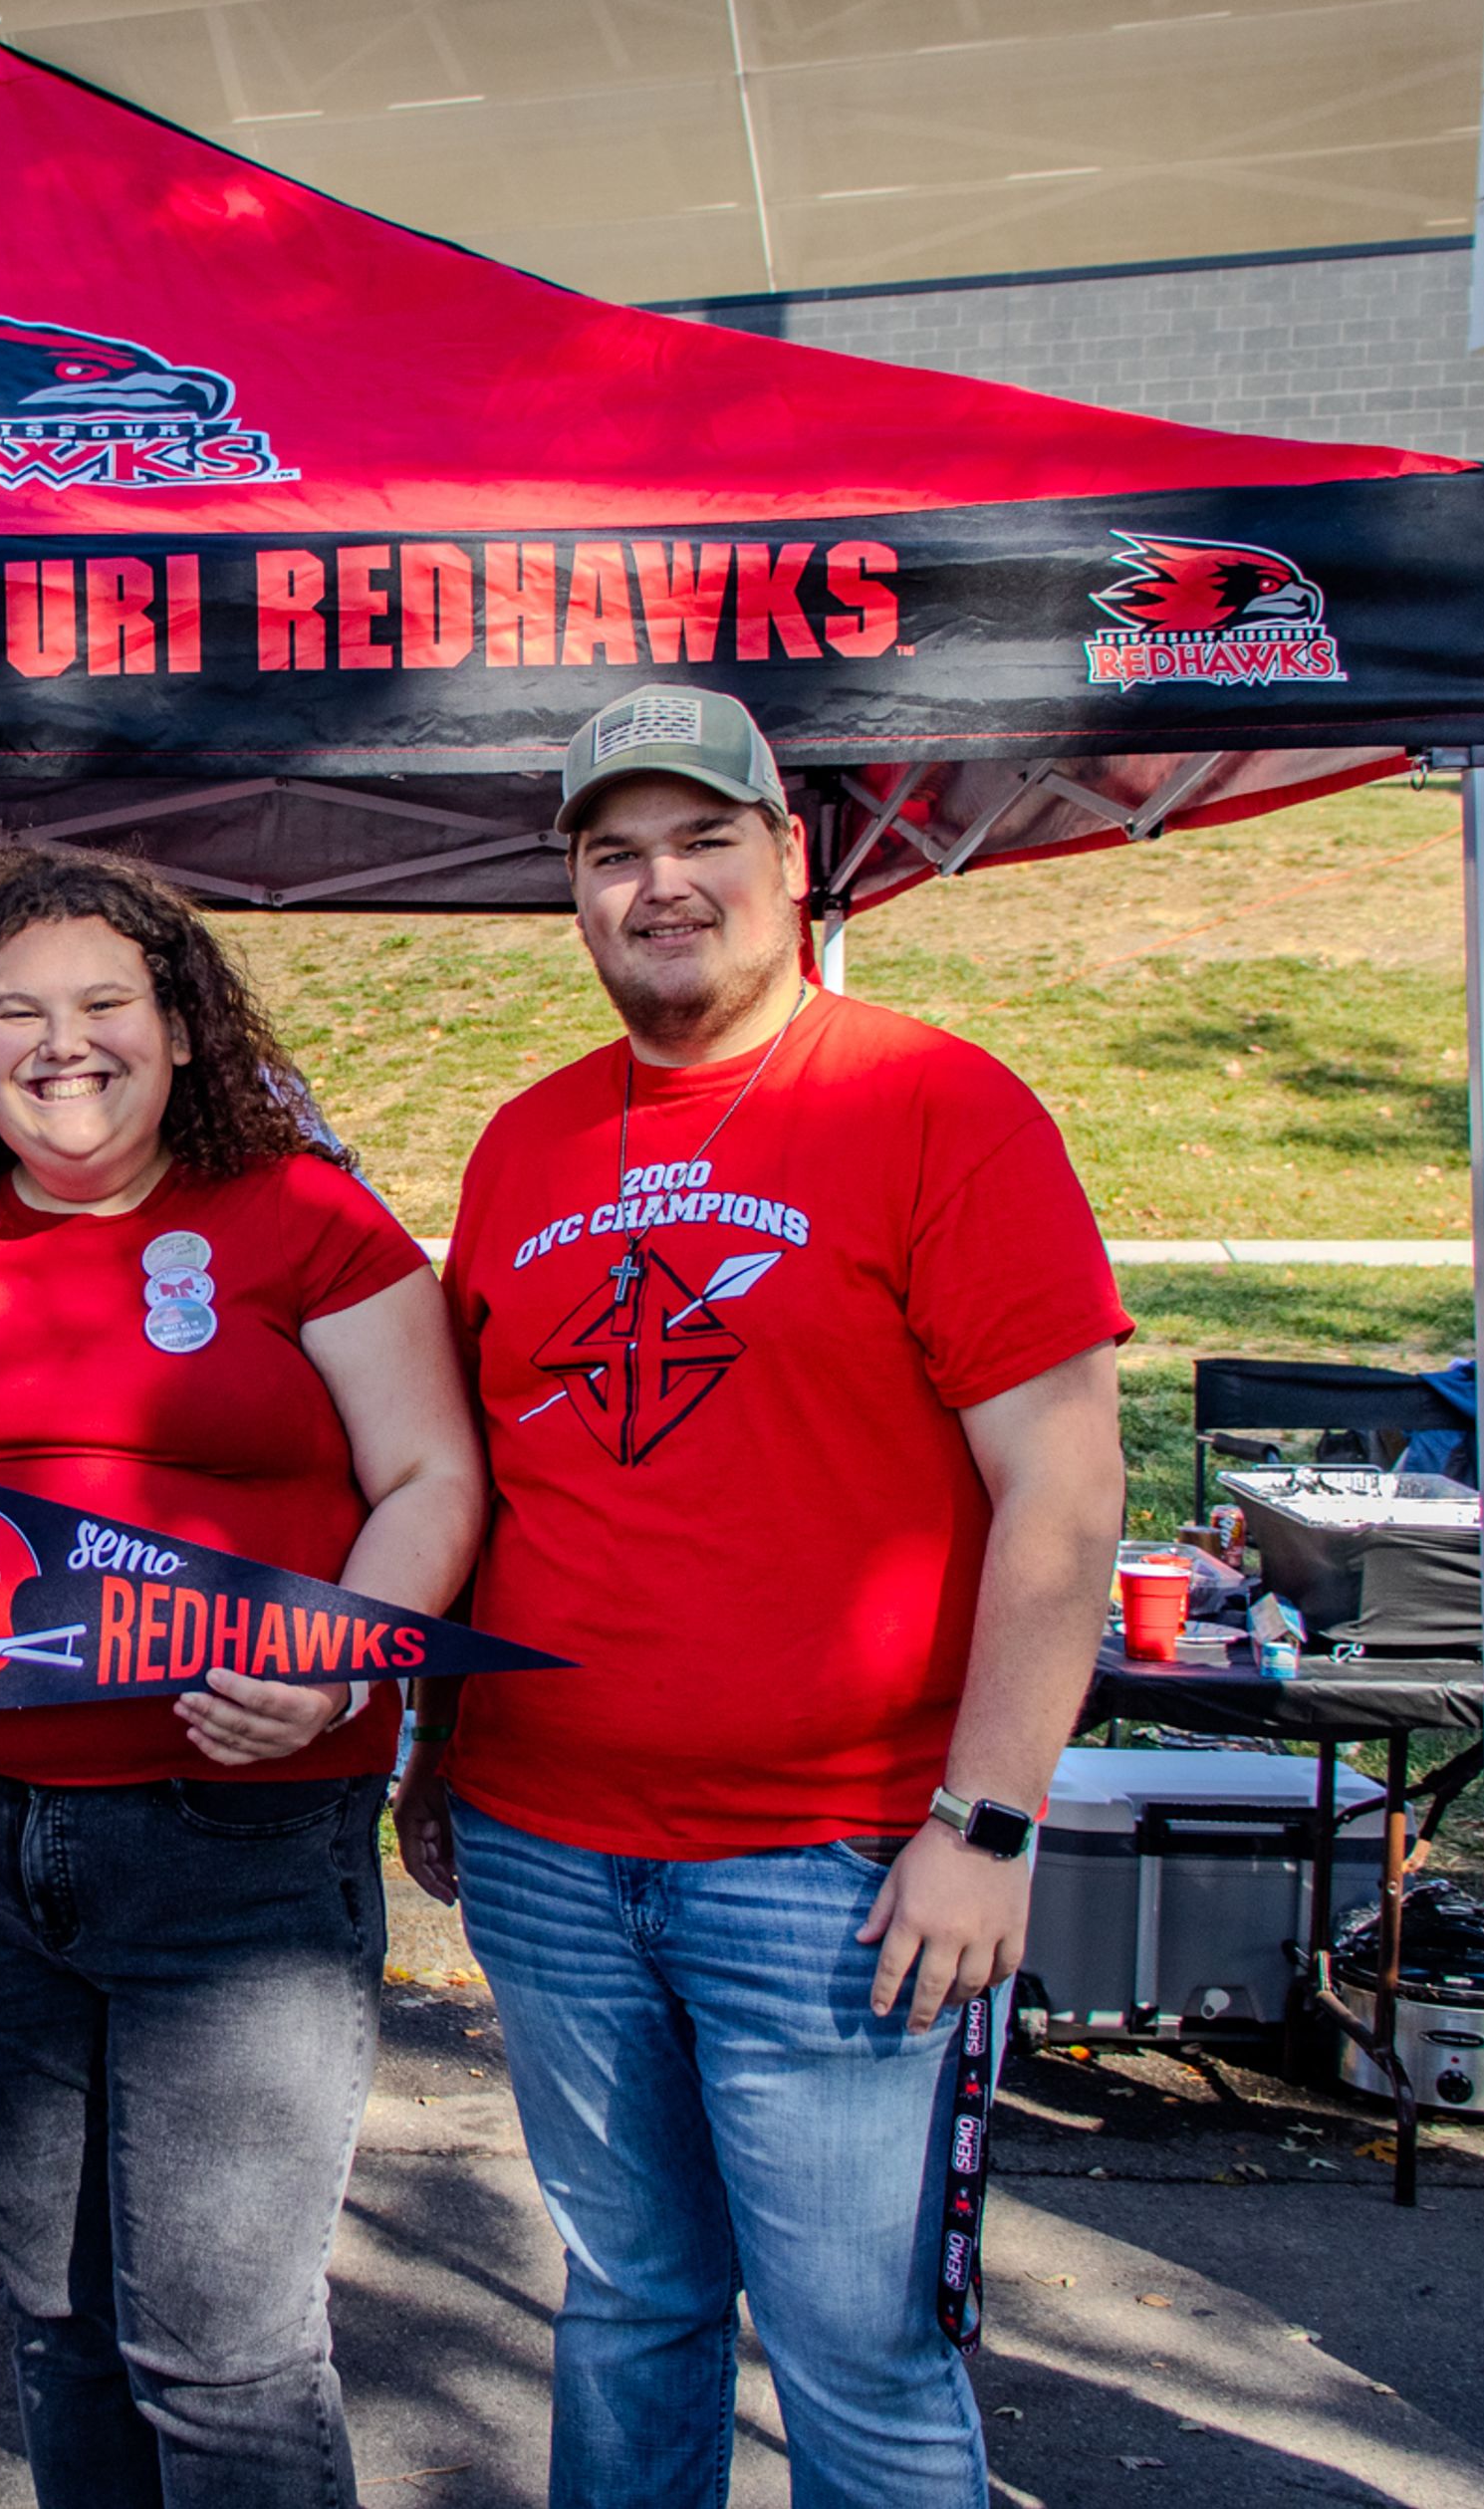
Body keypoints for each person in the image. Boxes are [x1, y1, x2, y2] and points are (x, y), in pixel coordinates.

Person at [400, 684, 1125, 2507]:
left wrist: (989, 1816)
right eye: (612, 853)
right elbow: (498, 1477)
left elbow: (1064, 1488)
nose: (660, 885)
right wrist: (439, 1744)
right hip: (551, 1846)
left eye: (703, 838)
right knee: (630, 2302)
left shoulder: (932, 1104)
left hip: (842, 1861)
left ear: (790, 858)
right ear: (571, 890)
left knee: (855, 2355)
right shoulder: (525, 1142)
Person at [0, 844, 484, 2507]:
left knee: (224, 2354)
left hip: (241, 1849)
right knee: (60, 2325)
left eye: (103, 1003)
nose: (60, 1042)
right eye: (15, 1009)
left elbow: (432, 1479)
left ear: (178, 1027)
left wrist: (332, 1660)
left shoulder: (304, 1216)